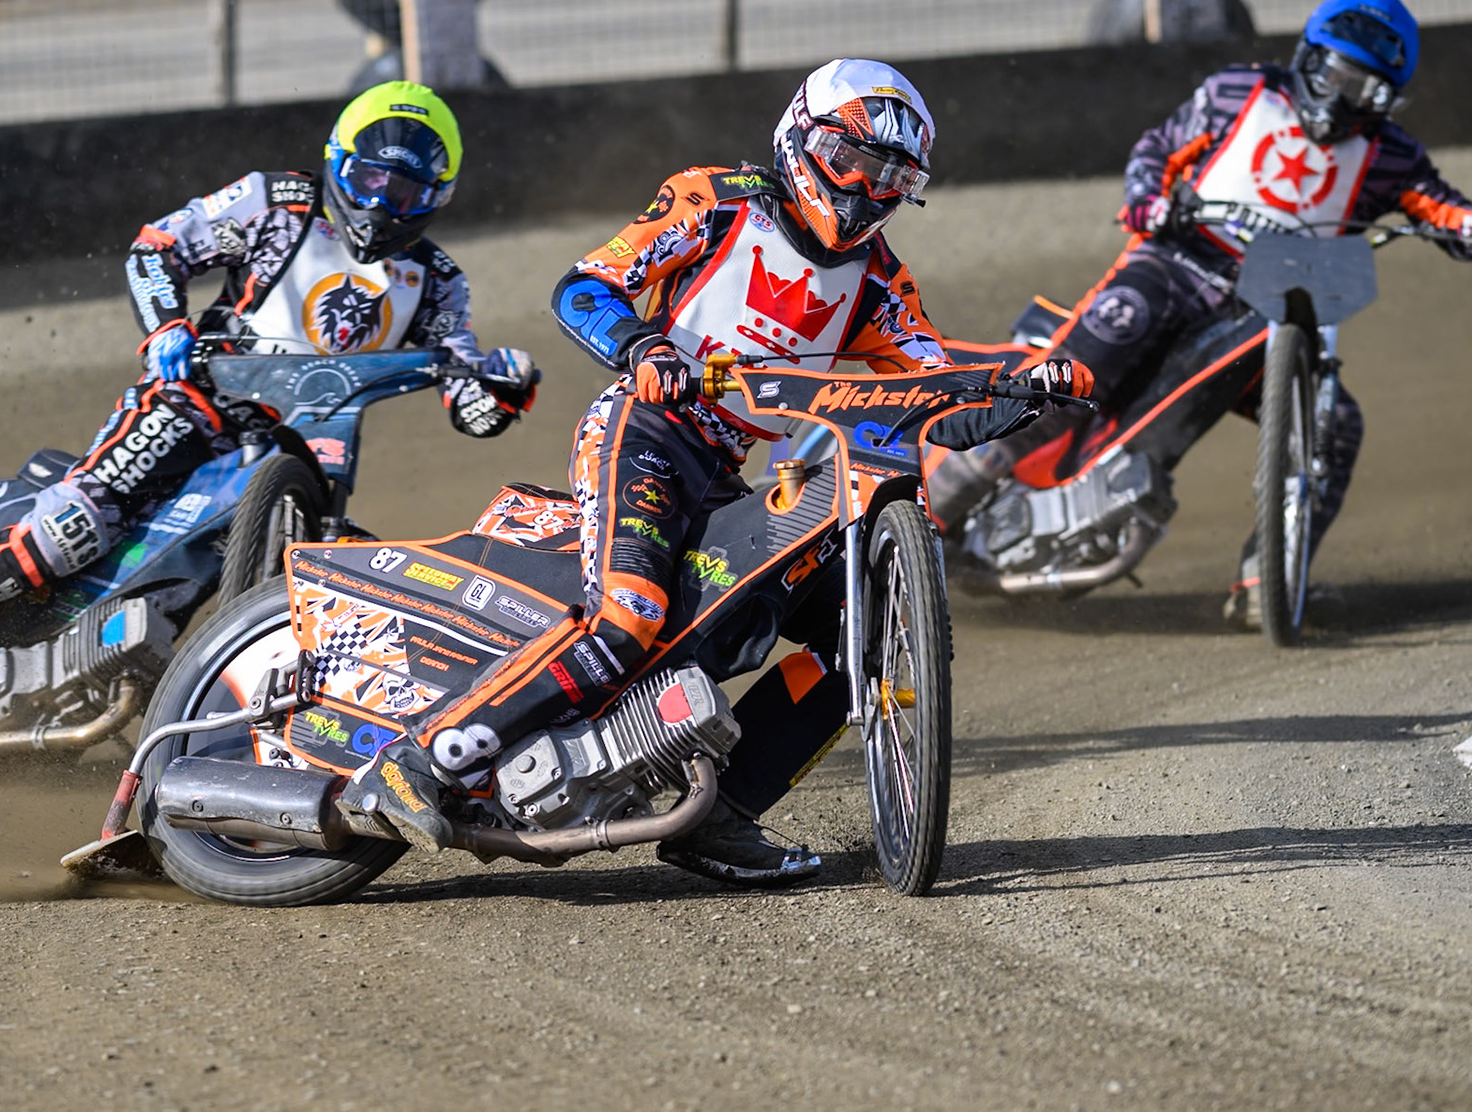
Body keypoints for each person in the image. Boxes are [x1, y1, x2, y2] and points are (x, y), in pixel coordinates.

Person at [337, 58, 1091, 881]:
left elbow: (927, 392)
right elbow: (584, 287)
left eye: (892, 179)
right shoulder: (716, 199)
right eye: (856, 164)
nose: (868, 191)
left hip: (731, 471)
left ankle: (718, 818)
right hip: (647, 432)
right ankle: (417, 763)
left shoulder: (880, 284)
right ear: (805, 139)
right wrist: (644, 346)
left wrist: (1027, 389)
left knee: (856, 635)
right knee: (625, 618)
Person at [0, 81, 538, 741]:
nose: (384, 201)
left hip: (309, 451)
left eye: (407, 188)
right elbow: (156, 247)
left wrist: (503, 385)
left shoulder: (438, 281)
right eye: (370, 178)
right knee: (73, 524)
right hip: (197, 401)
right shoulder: (278, 204)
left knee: (350, 579)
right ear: (337, 162)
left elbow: (468, 404)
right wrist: (167, 327)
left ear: (437, 196)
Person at [926, 0, 1472, 629]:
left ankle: (1269, 578)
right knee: (1066, 384)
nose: (1341, 100)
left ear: (1387, 100)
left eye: (1363, 90)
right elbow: (1156, 148)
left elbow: (1440, 203)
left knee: (1334, 425)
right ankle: (932, 514)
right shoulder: (1238, 91)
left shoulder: (1394, 155)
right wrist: (1148, 198)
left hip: (1272, 306)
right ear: (1308, 59)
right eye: (1334, 75)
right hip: (1173, 265)